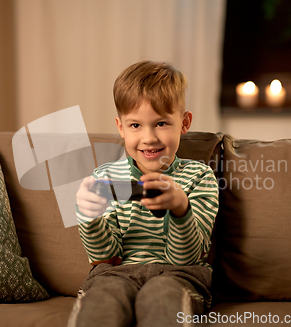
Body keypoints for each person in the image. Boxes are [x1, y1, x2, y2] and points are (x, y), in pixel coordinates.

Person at [69, 60, 219, 327]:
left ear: (184, 124)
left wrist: (180, 208)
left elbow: (186, 258)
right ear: (121, 127)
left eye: (161, 123)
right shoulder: (104, 178)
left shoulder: (199, 177)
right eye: (135, 125)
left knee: (161, 294)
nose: (148, 138)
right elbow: (107, 257)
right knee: (104, 296)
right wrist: (89, 217)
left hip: (179, 275)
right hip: (115, 274)